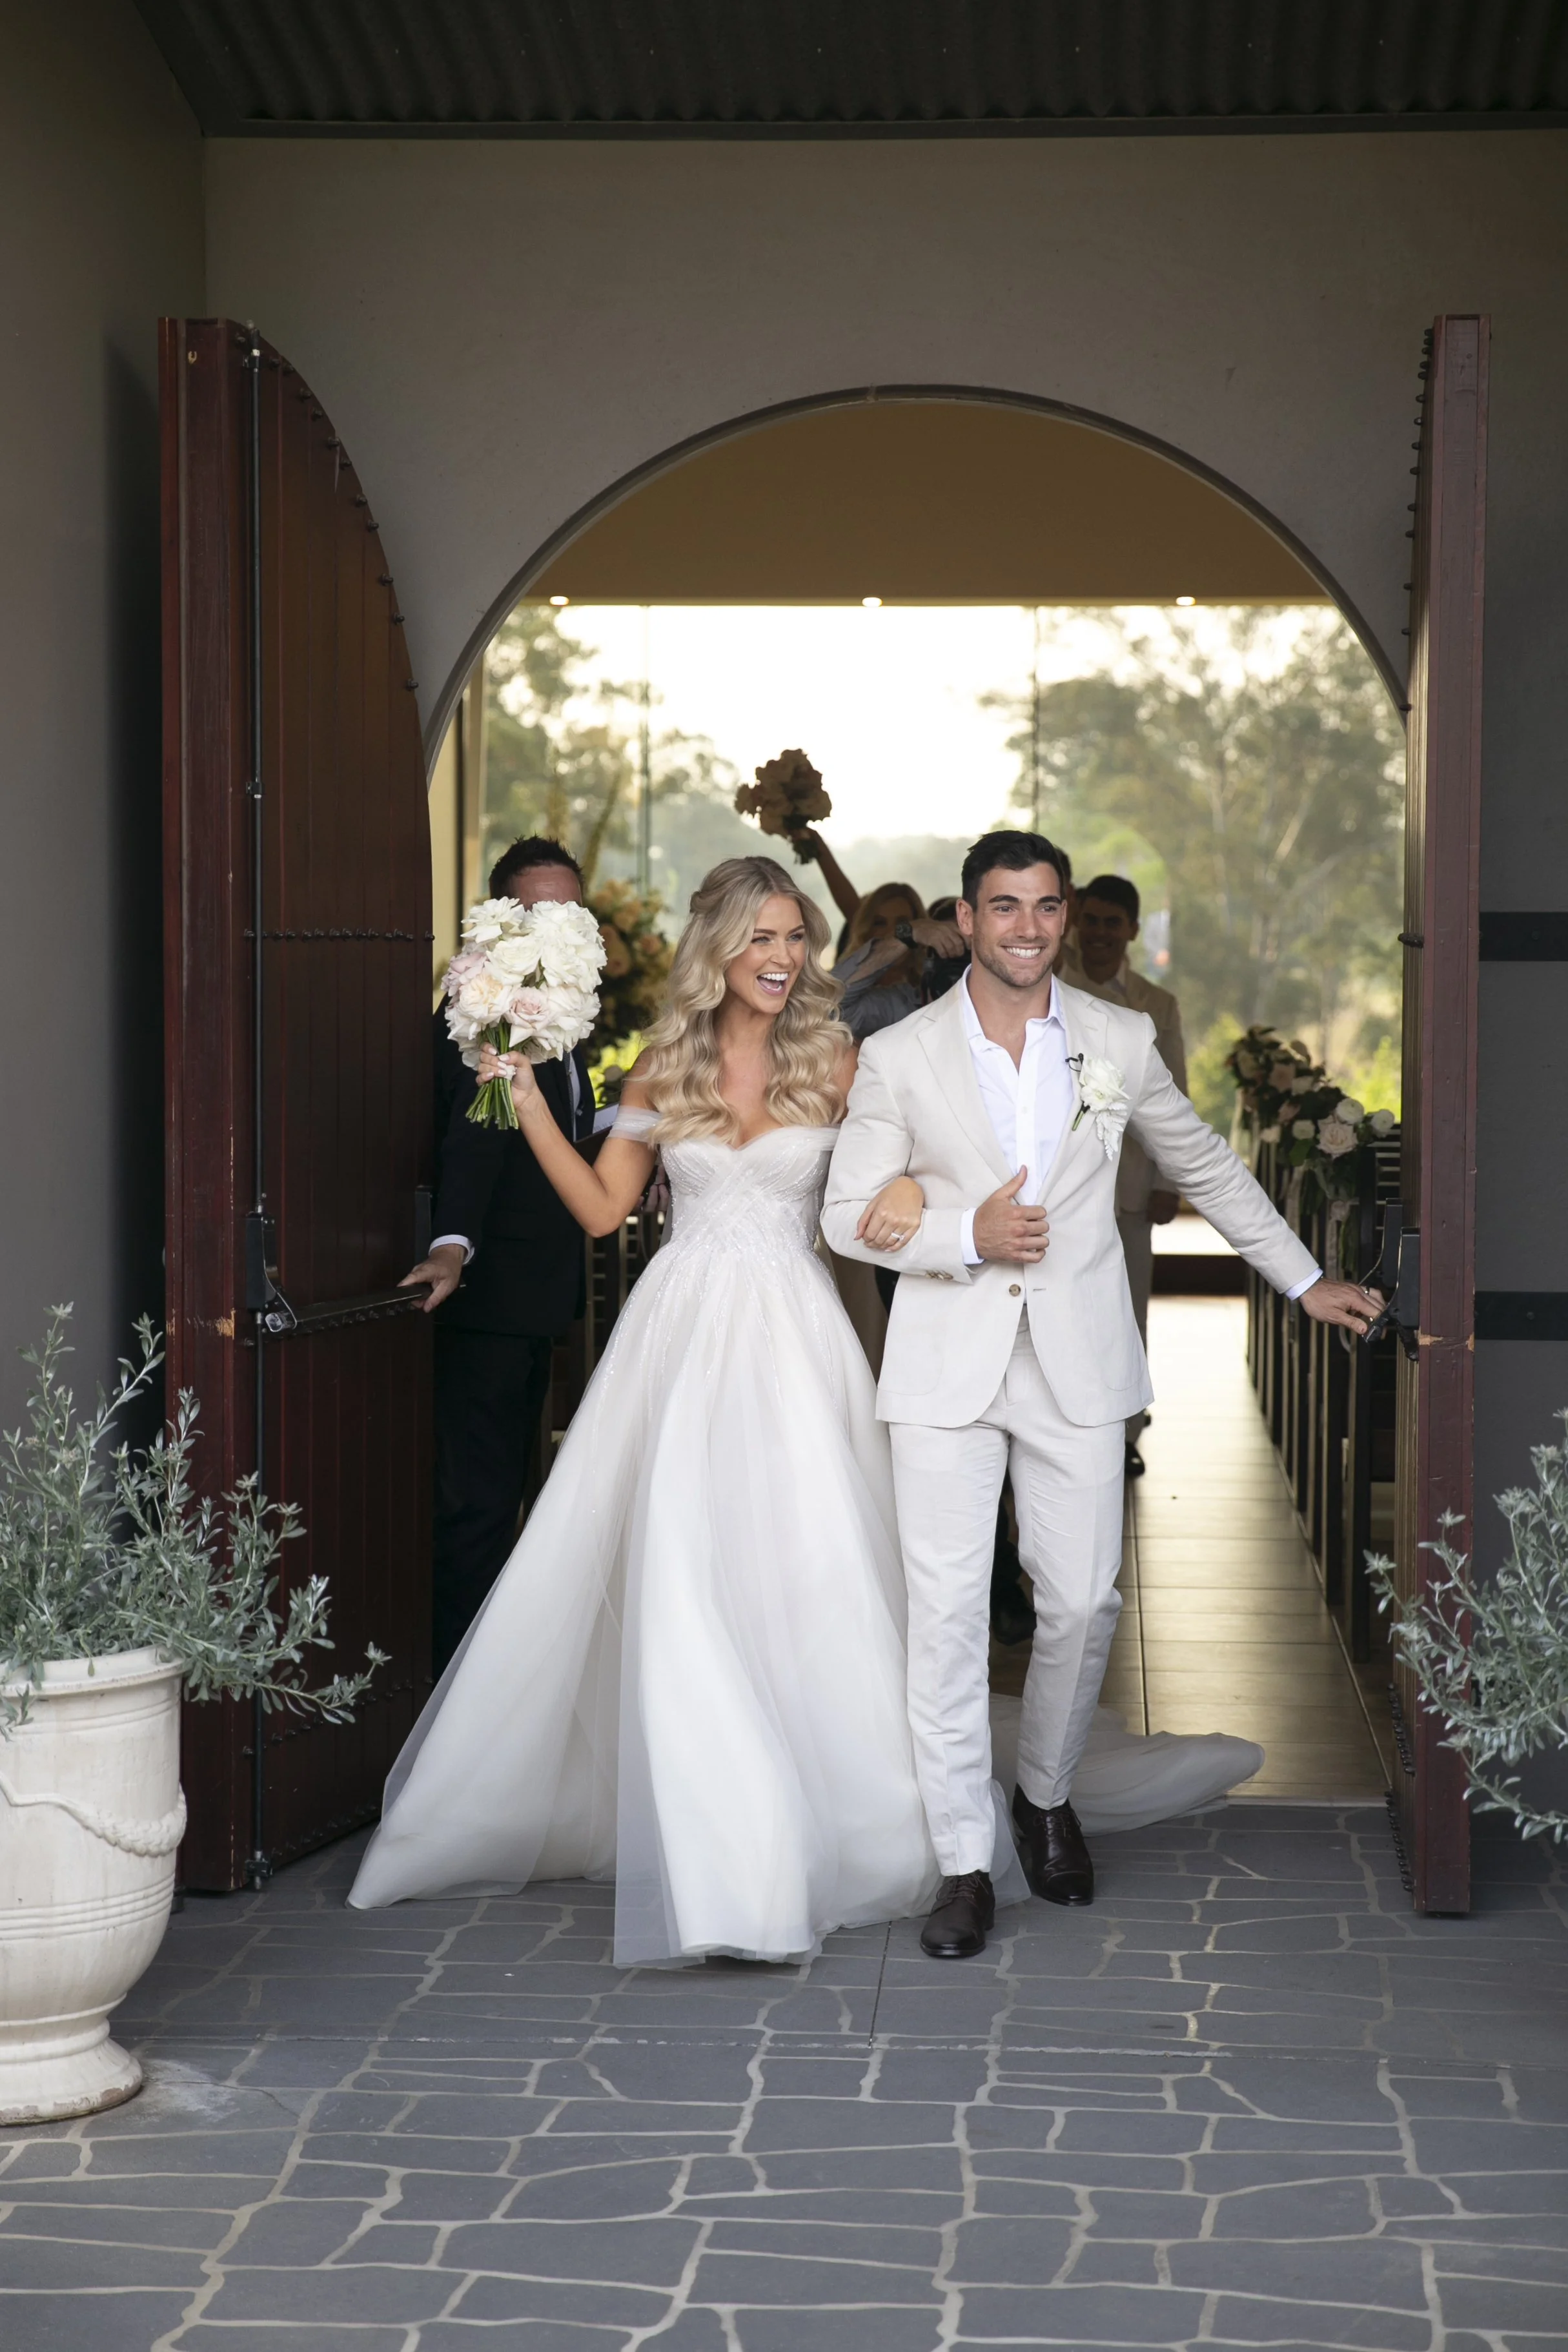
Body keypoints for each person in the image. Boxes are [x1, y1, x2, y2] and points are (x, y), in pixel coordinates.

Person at [351, 856, 959, 1963]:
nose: (779, 959)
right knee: (680, 1566)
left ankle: (822, 1816)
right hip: (676, 1337)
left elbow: (897, 1174)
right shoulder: (656, 1064)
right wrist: (529, 1096)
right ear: (716, 948)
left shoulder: (838, 1057)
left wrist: (911, 1187)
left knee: (800, 1566)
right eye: (759, 938)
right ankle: (721, 1845)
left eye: (793, 938)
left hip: (797, 1337)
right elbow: (598, 1211)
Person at [821, 830, 1385, 1961]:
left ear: (1062, 915)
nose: (1025, 926)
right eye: (1002, 906)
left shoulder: (1115, 1036)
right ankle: (963, 1861)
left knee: (1080, 1602)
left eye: (1043, 905)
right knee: (940, 1618)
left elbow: (1207, 1163)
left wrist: (1302, 1274)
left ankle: (1042, 1792)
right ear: (966, 920)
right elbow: (844, 1212)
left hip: (1077, 1356)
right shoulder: (901, 1053)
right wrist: (957, 1232)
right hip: (943, 1366)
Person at [399, 837, 598, 1675]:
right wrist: (451, 1246)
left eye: (570, 909)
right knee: (477, 1514)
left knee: (509, 1503)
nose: (558, 925)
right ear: (503, 922)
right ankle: (456, 1700)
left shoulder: (554, 1006)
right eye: (539, 910)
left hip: (535, 1301)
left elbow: (554, 1127)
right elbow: (480, 1133)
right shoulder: (484, 1014)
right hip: (490, 1303)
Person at [1060, 874, 1186, 1474]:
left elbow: (1176, 1094)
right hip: (1061, 1186)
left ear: (1132, 930)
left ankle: (1124, 1434)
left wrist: (1168, 1182)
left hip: (1131, 1188)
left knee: (1127, 1312)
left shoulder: (1156, 1005)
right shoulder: (1053, 986)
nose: (1101, 933)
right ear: (1076, 922)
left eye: (1114, 923)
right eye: (1093, 920)